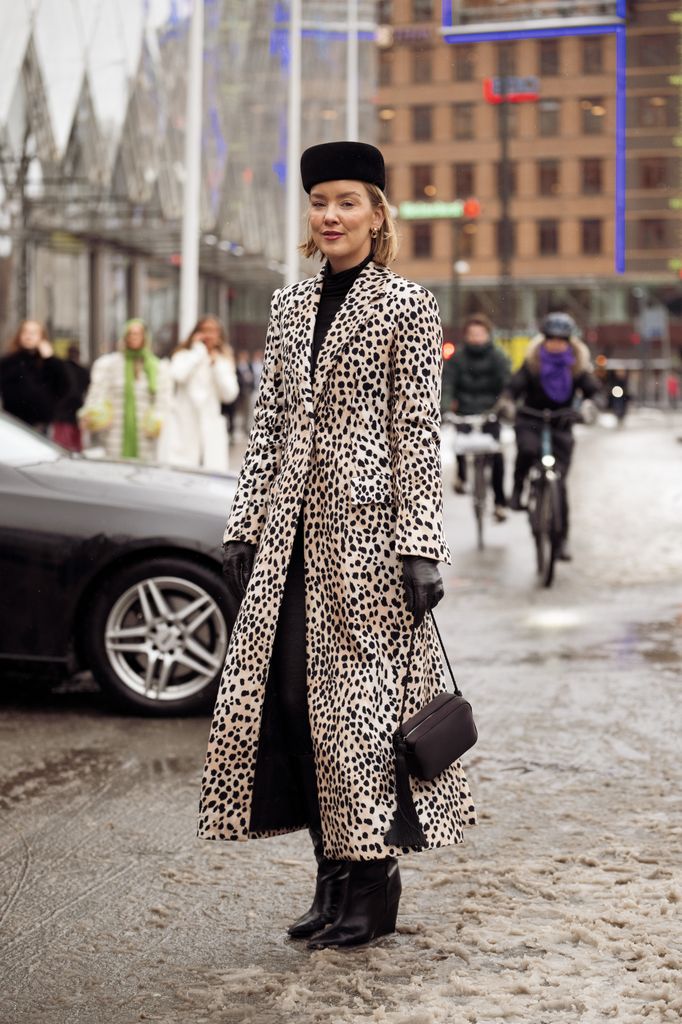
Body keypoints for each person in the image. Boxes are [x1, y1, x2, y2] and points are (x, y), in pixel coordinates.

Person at [198, 141, 476, 951]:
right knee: (291, 708)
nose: (330, 215)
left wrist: (420, 543)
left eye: (347, 200)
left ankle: (372, 883)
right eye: (320, 201)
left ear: (377, 212)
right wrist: (246, 525)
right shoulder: (288, 306)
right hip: (289, 536)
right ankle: (330, 881)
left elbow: (416, 431)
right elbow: (271, 428)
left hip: (368, 543)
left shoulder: (407, 306)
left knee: (356, 718)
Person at [508, 312, 598, 561]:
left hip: (562, 424)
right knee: (526, 451)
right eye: (552, 339)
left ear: (569, 342)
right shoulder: (532, 362)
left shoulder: (576, 365)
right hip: (531, 420)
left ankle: (561, 542)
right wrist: (507, 403)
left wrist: (589, 405)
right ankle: (517, 491)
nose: (556, 344)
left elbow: (593, 390)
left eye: (562, 340)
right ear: (544, 339)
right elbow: (514, 387)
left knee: (559, 485)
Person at [441, 313, 510, 520]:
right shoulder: (458, 359)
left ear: (488, 335)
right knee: (460, 444)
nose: (476, 338)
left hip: (490, 411)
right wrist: (445, 407)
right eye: (472, 334)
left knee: (497, 456)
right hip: (465, 410)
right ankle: (461, 476)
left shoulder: (498, 357)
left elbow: (506, 383)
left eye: (480, 333)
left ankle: (499, 502)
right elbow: (447, 384)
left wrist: (502, 406)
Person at [78, 318, 171, 462]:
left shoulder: (155, 366)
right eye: (130, 333)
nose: (134, 337)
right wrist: (91, 413)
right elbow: (97, 393)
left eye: (138, 333)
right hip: (114, 430)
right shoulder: (109, 364)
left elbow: (162, 399)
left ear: (145, 337)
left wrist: (158, 420)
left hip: (144, 432)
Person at [163, 315, 238, 472]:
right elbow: (177, 374)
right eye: (205, 330)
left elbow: (230, 394)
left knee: (212, 474)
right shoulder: (184, 355)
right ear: (196, 333)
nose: (209, 335)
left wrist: (215, 365)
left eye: (213, 331)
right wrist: (198, 352)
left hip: (211, 426)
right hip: (185, 424)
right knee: (183, 472)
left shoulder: (223, 361)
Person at [0, 319, 67, 433]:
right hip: (14, 422)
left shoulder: (49, 362)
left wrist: (50, 359)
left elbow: (64, 386)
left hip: (41, 423)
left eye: (34, 332)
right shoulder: (9, 361)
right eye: (25, 332)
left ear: (42, 337)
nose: (29, 336)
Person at [52, 344, 90, 452]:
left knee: (62, 445)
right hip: (76, 410)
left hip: (62, 411)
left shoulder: (62, 369)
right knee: (75, 445)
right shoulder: (83, 371)